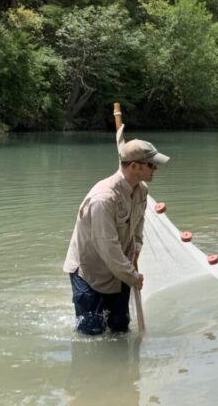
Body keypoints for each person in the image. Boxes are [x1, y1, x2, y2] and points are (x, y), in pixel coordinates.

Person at [62, 138, 170, 335]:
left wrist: (136, 248)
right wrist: (132, 276)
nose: (155, 168)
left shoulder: (141, 190)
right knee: (92, 332)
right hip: (90, 271)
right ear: (134, 166)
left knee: (120, 327)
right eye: (151, 164)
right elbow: (108, 247)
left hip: (120, 266)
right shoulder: (103, 199)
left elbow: (138, 224)